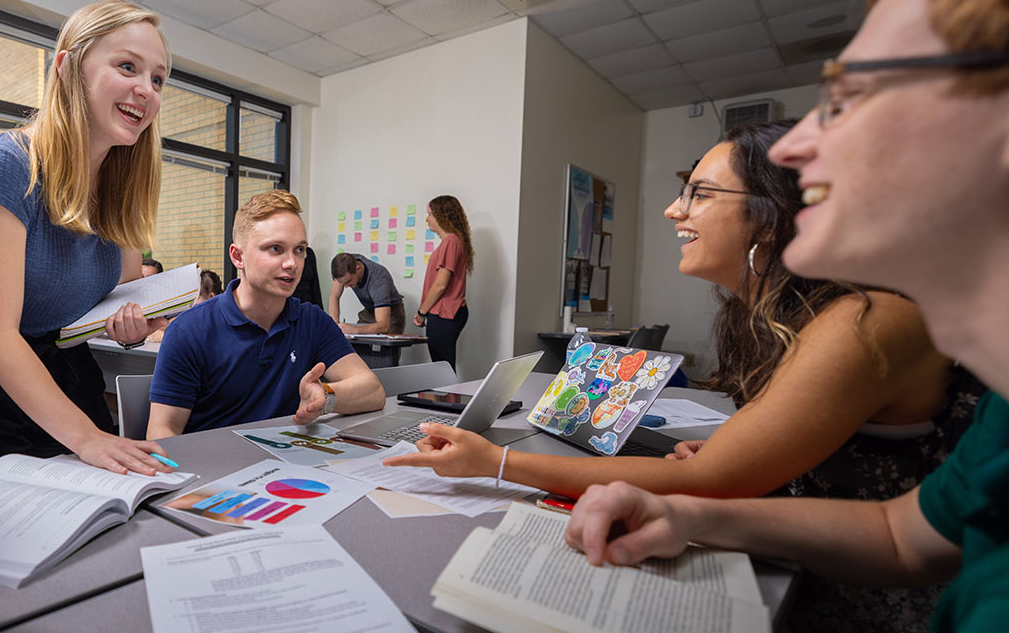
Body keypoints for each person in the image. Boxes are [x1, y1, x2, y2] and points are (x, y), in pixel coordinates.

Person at [562, 0, 1009, 631]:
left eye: (852, 97)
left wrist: (497, 464)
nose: (799, 146)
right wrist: (687, 514)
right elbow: (903, 535)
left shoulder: (868, 320)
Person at [386, 121, 977, 630]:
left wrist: (497, 463)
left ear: (771, 219)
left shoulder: (862, 321)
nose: (674, 210)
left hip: (855, 601)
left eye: (698, 194)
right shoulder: (785, 315)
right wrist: (740, 442)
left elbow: (718, 482)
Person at [0, 0, 173, 474]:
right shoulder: (6, 164)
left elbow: (121, 300)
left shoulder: (120, 187)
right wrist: (88, 437)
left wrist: (135, 328)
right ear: (69, 67)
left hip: (64, 365)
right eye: (127, 66)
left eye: (157, 78)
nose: (146, 90)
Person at [145, 191, 385, 438]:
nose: (292, 263)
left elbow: (373, 391)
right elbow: (163, 431)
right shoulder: (189, 330)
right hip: (216, 468)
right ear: (238, 257)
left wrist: (326, 396)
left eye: (299, 250)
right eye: (275, 249)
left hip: (287, 463)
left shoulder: (313, 321)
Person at [413, 195, 474, 369]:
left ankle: (448, 397)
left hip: (445, 314)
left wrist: (421, 312)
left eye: (430, 214)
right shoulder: (451, 242)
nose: (427, 219)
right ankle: (446, 397)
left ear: (442, 216)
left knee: (443, 370)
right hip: (444, 314)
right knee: (443, 368)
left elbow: (440, 285)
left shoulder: (451, 242)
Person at [328, 252, 405, 334]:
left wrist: (355, 330)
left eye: (348, 281)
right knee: (356, 344)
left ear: (358, 269)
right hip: (370, 309)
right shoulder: (343, 266)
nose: (346, 286)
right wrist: (335, 326)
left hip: (390, 312)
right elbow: (334, 296)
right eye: (343, 283)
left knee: (387, 344)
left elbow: (383, 326)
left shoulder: (379, 278)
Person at [147, 269, 222, 344]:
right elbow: (175, 323)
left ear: (211, 297)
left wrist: (164, 336)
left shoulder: (219, 318)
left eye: (196, 298)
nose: (190, 303)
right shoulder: (197, 314)